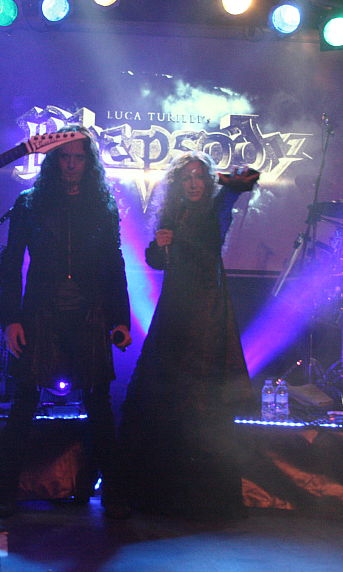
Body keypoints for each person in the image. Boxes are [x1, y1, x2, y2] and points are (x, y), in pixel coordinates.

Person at [0, 124, 133, 519]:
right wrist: (11, 319)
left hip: (89, 312)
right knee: (24, 401)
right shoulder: (29, 203)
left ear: (89, 162)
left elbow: (114, 264)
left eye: (78, 158)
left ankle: (114, 493)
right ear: (54, 161)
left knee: (98, 403)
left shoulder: (102, 206)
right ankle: (3, 492)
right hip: (41, 312)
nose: (71, 165)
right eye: (65, 157)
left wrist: (120, 319)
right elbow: (10, 265)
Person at [118, 151, 257, 520]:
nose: (194, 183)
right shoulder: (172, 213)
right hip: (175, 309)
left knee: (200, 396)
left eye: (199, 176)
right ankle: (161, 493)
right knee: (164, 394)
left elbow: (211, 237)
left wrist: (229, 185)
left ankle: (204, 498)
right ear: (178, 183)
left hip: (206, 311)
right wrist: (160, 246)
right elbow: (157, 261)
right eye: (187, 177)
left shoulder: (215, 210)